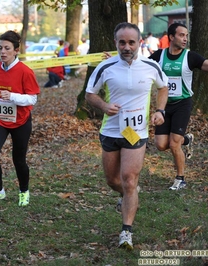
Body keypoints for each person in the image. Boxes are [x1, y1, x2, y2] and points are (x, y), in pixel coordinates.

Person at [85, 22, 168, 250]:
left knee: (129, 179)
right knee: (113, 181)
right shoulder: (105, 67)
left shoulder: (151, 66)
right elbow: (90, 94)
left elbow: (163, 88)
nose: (127, 47)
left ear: (139, 43)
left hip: (136, 132)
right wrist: (103, 105)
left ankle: (126, 232)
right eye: (122, 42)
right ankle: (129, 195)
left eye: (131, 42)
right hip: (111, 131)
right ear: (116, 43)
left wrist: (160, 111)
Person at [149, 23, 208, 190]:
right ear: (171, 37)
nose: (185, 39)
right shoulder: (159, 55)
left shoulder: (190, 57)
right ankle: (187, 139)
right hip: (164, 105)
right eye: (181, 35)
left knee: (174, 143)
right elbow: (141, 66)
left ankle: (180, 178)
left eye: (186, 36)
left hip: (183, 103)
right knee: (161, 144)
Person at [0, 30, 40, 208]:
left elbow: (32, 98)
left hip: (21, 121)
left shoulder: (25, 71)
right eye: (0, 48)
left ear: (16, 50)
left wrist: (13, 97)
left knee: (18, 159)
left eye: (7, 48)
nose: (2, 52)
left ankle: (24, 191)